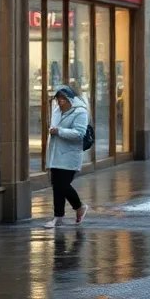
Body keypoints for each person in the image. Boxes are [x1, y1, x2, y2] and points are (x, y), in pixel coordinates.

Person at [44, 86, 90, 228]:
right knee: (56, 186)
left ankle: (79, 207)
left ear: (70, 99)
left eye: (63, 99)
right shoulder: (57, 110)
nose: (60, 102)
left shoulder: (80, 112)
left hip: (70, 155)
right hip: (55, 153)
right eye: (58, 99)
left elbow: (79, 133)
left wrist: (59, 131)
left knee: (62, 185)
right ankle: (58, 216)